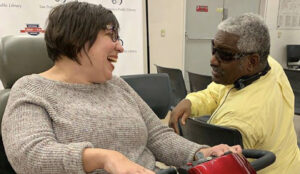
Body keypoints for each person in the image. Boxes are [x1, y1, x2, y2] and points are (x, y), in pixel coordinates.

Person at [1, 2, 241, 174]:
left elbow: (157, 137)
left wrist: (200, 153)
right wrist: (103, 158)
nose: (120, 47)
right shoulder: (31, 90)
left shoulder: (116, 85)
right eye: (110, 36)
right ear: (76, 39)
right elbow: (29, 157)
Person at [169, 13, 300, 174]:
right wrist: (191, 101)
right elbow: (216, 92)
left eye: (225, 55)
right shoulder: (268, 67)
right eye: (213, 48)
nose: (213, 60)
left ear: (252, 61)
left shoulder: (239, 120)